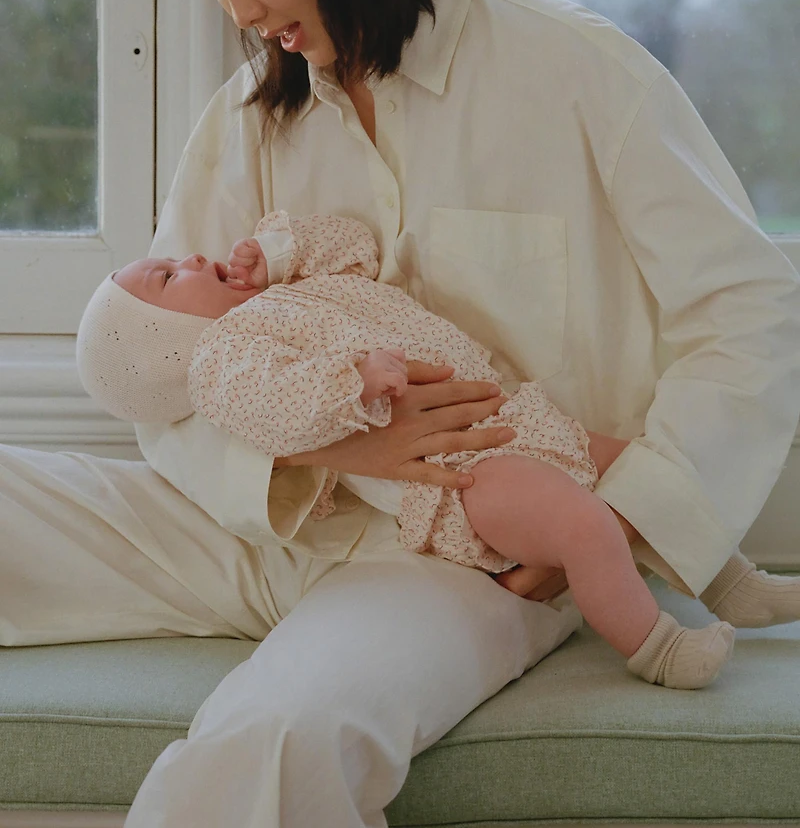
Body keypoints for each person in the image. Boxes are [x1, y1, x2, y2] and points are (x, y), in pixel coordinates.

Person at [2, 0, 797, 826]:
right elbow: (169, 373)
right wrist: (331, 446)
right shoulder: (246, 123)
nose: (242, 14)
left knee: (270, 747)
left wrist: (615, 521)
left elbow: (747, 311)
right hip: (256, 528)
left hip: (460, 554)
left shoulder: (574, 75)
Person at [77, 207, 744, 688]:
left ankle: (732, 580)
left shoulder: (281, 296)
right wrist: (355, 383)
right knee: (584, 524)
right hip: (461, 474)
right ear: (164, 344)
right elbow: (282, 411)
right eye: (166, 278)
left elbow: (357, 251)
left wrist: (277, 252)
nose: (189, 258)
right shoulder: (225, 361)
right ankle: (657, 650)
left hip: (510, 417)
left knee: (642, 469)